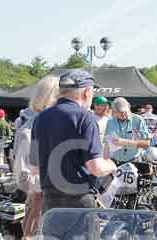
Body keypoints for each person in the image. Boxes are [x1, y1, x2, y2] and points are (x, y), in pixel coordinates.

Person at [33, 69, 116, 213]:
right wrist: (111, 165)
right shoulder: (85, 118)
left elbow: (34, 166)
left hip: (50, 199)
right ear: (86, 92)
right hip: (79, 200)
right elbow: (96, 167)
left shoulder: (40, 118)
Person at [12, 75, 60, 240]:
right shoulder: (28, 132)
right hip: (40, 203)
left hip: (60, 204)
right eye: (60, 97)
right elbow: (22, 177)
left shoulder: (59, 126)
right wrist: (40, 191)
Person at [104, 97, 151, 167]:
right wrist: (105, 161)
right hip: (115, 162)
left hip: (134, 161)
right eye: (120, 112)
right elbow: (107, 144)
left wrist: (124, 142)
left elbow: (146, 144)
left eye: (125, 111)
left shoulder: (138, 120)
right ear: (115, 112)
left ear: (129, 108)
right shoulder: (110, 122)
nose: (123, 114)